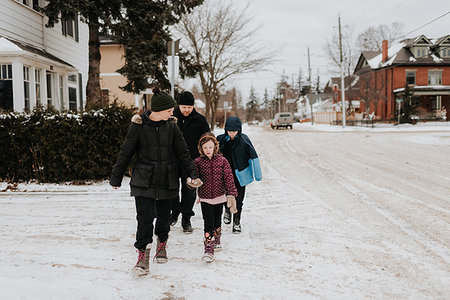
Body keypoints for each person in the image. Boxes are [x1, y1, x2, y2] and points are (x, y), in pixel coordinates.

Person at [109, 87, 202, 276]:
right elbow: (126, 152)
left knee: (163, 216)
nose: (172, 113)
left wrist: (193, 173)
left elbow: (183, 152)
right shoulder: (138, 126)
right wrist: (116, 176)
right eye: (169, 110)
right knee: (144, 218)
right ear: (158, 110)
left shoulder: (172, 126)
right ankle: (142, 254)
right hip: (143, 179)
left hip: (167, 178)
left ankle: (162, 244)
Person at [192, 133, 237, 262]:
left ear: (215, 147)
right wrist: (192, 183)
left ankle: (217, 238)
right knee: (208, 222)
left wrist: (231, 194)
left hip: (219, 197)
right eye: (205, 148)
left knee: (217, 220)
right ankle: (208, 247)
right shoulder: (198, 162)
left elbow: (228, 178)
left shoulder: (223, 161)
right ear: (201, 148)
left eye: (210, 147)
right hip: (205, 198)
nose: (208, 150)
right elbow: (194, 178)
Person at [169, 91, 210, 233]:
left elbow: (207, 139)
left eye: (189, 107)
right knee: (172, 190)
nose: (186, 110)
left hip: (192, 163)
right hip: (172, 161)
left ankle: (186, 218)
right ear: (178, 105)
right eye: (184, 107)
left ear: (193, 106)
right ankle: (174, 213)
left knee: (190, 192)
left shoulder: (200, 120)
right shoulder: (170, 118)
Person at [217, 116, 262, 234]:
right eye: (229, 131)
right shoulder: (220, 140)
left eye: (234, 131)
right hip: (224, 175)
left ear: (239, 130)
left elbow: (254, 156)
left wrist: (258, 174)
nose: (232, 133)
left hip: (240, 175)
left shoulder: (244, 140)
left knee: (239, 199)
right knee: (224, 195)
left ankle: (237, 221)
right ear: (225, 129)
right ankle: (227, 210)